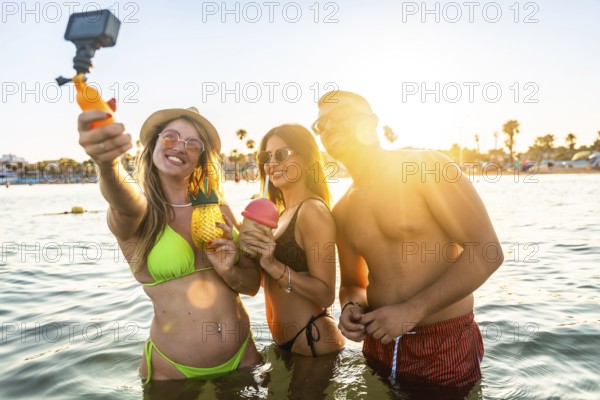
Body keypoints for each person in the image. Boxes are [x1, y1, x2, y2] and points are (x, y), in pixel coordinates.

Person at [313, 91, 504, 389]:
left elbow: (488, 252)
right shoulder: (343, 209)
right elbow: (353, 282)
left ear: (370, 122)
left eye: (340, 116)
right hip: (378, 344)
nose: (328, 128)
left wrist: (412, 310)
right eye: (320, 125)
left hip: (442, 343)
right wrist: (351, 307)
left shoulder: (426, 167)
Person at [77, 106, 262, 384]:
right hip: (174, 374)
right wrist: (107, 164)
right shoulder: (139, 213)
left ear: (200, 158)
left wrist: (229, 271)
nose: (180, 147)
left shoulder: (218, 207)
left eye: (193, 143)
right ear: (153, 145)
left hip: (244, 360)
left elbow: (251, 286)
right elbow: (122, 200)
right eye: (171, 137)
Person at [241, 124, 345, 357]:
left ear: (306, 159)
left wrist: (274, 266)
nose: (272, 163)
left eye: (282, 154)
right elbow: (271, 284)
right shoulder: (279, 215)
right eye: (266, 156)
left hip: (312, 340)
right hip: (287, 345)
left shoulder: (312, 211)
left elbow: (326, 294)